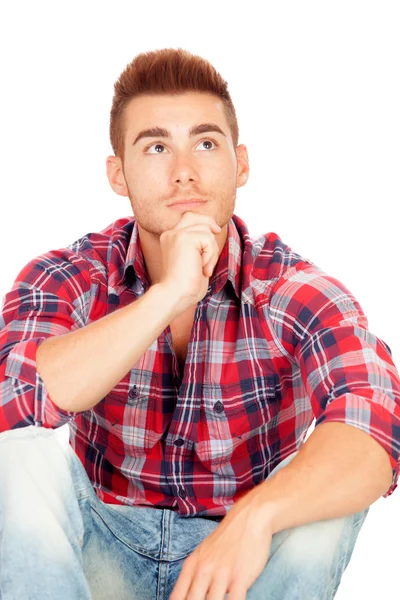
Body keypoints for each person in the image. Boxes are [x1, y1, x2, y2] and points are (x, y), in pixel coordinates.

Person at [0, 47, 399, 600]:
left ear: (241, 164)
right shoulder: (68, 276)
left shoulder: (295, 290)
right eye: (157, 146)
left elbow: (374, 427)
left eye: (205, 144)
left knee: (325, 502)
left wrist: (255, 518)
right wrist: (168, 296)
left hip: (241, 567)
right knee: (13, 456)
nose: (183, 172)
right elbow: (15, 404)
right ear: (118, 173)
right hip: (101, 554)